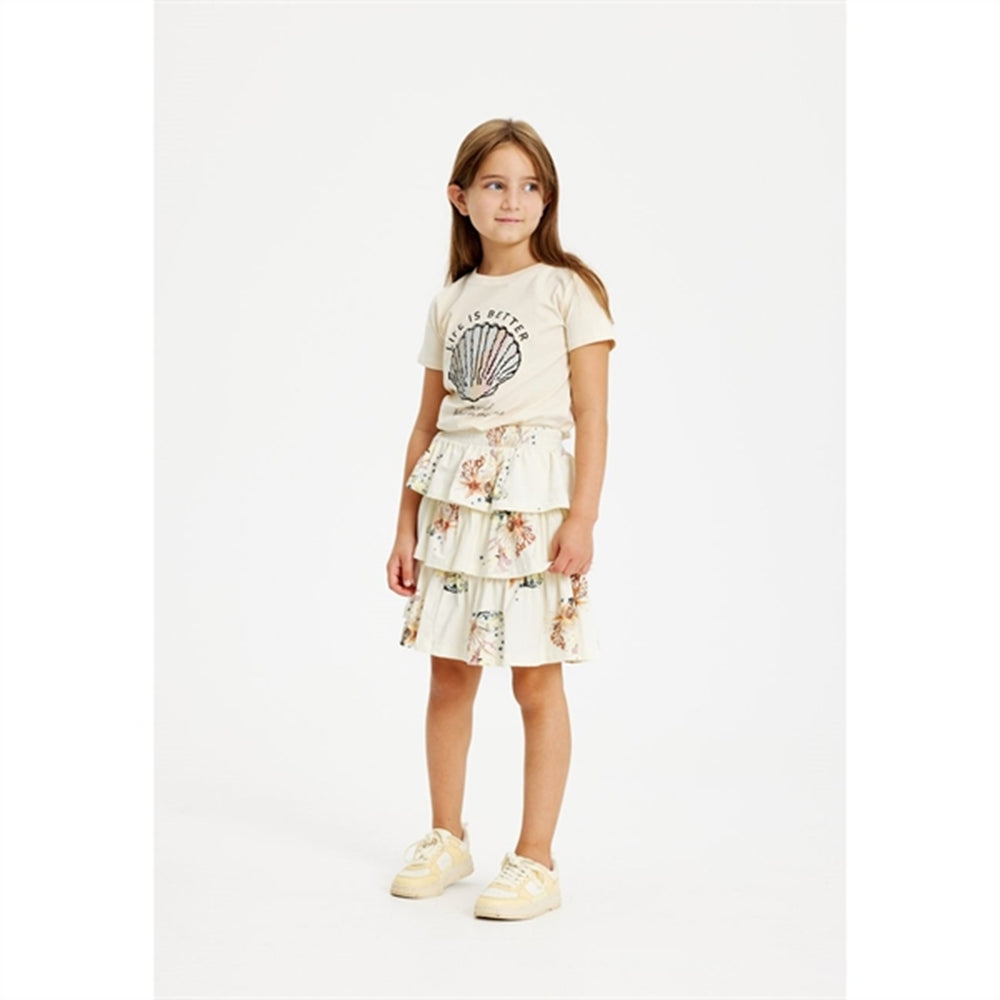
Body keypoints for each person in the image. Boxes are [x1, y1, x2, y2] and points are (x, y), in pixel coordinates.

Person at [385, 118, 616, 921]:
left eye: (529, 185)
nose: (512, 200)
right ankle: (447, 836)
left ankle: (536, 859)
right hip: (455, 504)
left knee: (535, 679)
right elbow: (426, 423)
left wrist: (582, 518)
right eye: (494, 184)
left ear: (547, 199)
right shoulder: (450, 299)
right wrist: (405, 524)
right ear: (460, 198)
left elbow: (592, 414)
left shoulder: (568, 290)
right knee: (450, 674)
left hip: (531, 510)